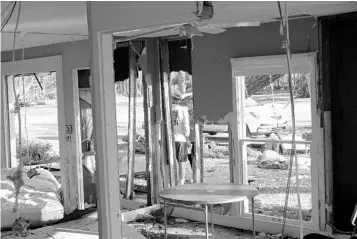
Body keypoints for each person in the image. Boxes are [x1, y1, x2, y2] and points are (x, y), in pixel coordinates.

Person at [171, 90, 190, 185]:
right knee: (181, 162)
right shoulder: (183, 110)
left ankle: (170, 181)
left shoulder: (166, 109)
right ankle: (181, 181)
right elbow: (186, 126)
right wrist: (187, 138)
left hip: (169, 139)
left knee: (170, 162)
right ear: (180, 99)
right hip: (181, 138)